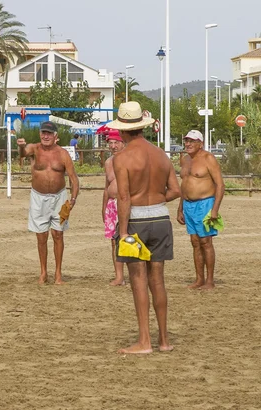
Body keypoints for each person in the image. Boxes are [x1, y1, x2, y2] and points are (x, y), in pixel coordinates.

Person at [108, 101, 181, 354]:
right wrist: (157, 201)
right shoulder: (161, 154)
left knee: (138, 280)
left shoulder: (122, 158)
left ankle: (144, 342)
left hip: (136, 221)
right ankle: (164, 341)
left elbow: (124, 198)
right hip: (161, 219)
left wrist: (124, 231)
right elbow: (175, 190)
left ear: (124, 131)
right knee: (158, 281)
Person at [17, 121, 80, 285]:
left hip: (60, 197)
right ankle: (43, 272)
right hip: (38, 197)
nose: (46, 136)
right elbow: (23, 153)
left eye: (49, 133)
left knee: (58, 234)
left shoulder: (63, 154)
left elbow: (74, 179)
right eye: (43, 133)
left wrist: (72, 200)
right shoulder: (34, 149)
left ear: (56, 136)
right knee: (41, 236)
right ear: (40, 134)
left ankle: (58, 274)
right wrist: (21, 146)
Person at [177, 130, 225, 290]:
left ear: (200, 143)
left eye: (192, 141)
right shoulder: (185, 160)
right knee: (195, 242)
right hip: (188, 205)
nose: (188, 144)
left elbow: (220, 184)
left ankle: (210, 280)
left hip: (205, 203)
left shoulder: (208, 158)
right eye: (186, 140)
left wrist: (215, 209)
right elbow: (184, 186)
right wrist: (180, 209)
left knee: (206, 242)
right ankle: (199, 279)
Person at [102, 129, 126, 286]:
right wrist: (104, 207)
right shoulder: (108, 162)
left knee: (130, 239)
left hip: (128, 203)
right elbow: (107, 186)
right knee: (113, 240)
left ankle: (137, 274)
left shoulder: (130, 160)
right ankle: (119, 276)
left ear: (123, 143)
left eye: (116, 142)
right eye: (110, 143)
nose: (113, 146)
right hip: (112, 204)